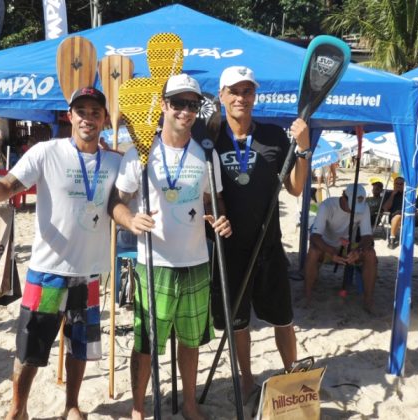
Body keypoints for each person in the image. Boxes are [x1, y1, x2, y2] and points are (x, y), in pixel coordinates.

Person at [0, 87, 121, 419]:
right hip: (48, 272)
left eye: (95, 112)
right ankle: (18, 409)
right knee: (30, 346)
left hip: (89, 272)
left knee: (80, 345)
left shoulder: (115, 160)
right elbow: (8, 187)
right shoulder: (46, 152)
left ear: (104, 119)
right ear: (70, 116)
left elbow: (125, 198)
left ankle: (72, 404)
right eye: (82, 111)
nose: (88, 117)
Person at [109, 74, 232, 420]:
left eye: (192, 105)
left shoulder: (207, 156)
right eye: (178, 103)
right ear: (164, 106)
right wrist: (130, 221)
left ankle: (190, 405)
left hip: (196, 262)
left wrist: (218, 218)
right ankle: (137, 408)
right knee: (146, 343)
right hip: (154, 264)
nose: (185, 111)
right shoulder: (140, 154)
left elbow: (214, 201)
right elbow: (116, 203)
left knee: (190, 342)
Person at [210, 65, 310, 404]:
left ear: (255, 96)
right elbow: (206, 193)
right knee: (239, 325)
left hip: (268, 246)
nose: (241, 97)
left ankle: (293, 378)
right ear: (222, 96)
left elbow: (295, 188)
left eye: (247, 91)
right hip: (229, 249)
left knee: (283, 318)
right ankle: (248, 379)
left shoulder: (273, 136)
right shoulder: (211, 138)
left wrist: (304, 149)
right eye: (234, 91)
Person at [304, 184, 377, 312]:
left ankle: (369, 300)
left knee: (370, 253)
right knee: (313, 251)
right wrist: (331, 252)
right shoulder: (327, 206)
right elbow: (315, 236)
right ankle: (307, 295)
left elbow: (367, 237)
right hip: (326, 245)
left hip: (348, 246)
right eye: (352, 207)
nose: (354, 211)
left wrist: (358, 251)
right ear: (344, 198)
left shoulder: (364, 207)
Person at [382, 177, 405, 249]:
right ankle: (392, 239)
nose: (398, 185)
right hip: (391, 216)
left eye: (401, 184)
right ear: (393, 184)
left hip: (405, 216)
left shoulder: (407, 195)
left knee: (399, 214)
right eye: (397, 183)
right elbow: (385, 208)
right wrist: (392, 195)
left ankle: (392, 238)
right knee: (397, 215)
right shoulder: (388, 194)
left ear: (404, 185)